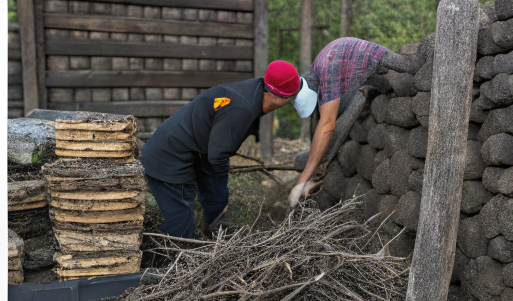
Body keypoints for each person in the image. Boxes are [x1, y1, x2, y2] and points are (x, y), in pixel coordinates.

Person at [141, 59, 301, 237]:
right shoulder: (242, 108)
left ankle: (207, 234)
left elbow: (212, 155)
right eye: (289, 99)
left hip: (183, 154)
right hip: (169, 160)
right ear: (274, 96)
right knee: (180, 224)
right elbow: (217, 156)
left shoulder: (252, 91)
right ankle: (167, 260)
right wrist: (220, 194)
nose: (288, 103)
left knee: (193, 213)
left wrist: (216, 205)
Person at [288, 36, 415, 207]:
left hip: (381, 64)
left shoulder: (328, 71)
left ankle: (318, 166)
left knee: (412, 69)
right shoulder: (318, 70)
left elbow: (328, 127)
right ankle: (316, 163)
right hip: (368, 75)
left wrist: (301, 182)